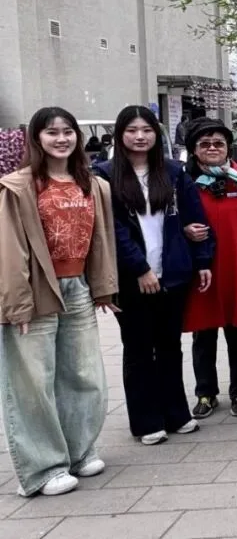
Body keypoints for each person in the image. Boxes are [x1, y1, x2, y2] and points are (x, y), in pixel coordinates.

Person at [0, 107, 117, 496]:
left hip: (77, 287)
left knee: (84, 375)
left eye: (68, 131)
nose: (62, 138)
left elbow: (101, 239)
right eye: (52, 132)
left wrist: (103, 287)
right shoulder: (18, 186)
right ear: (36, 138)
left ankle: (78, 452)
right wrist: (16, 303)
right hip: (35, 290)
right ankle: (44, 468)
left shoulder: (92, 183)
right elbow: (10, 249)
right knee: (33, 382)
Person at [94, 106, 213, 446]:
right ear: (120, 135)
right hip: (131, 278)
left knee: (170, 345)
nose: (140, 136)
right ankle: (146, 420)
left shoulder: (174, 172)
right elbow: (113, 230)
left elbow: (196, 219)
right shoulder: (104, 176)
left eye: (146, 130)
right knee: (138, 349)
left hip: (172, 274)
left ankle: (176, 413)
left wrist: (202, 260)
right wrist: (141, 269)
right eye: (132, 130)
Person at [183, 118, 237, 419]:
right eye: (204, 144)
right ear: (194, 150)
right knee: (203, 335)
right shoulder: (185, 183)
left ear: (228, 147)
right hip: (203, 271)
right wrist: (185, 230)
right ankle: (205, 393)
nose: (212, 148)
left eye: (218, 143)